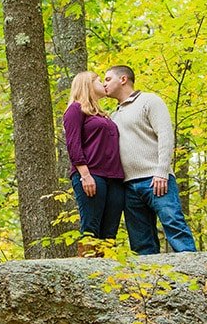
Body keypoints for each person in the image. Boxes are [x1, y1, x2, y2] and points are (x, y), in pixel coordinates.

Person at [101, 65, 196, 255]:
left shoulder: (149, 101)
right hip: (128, 186)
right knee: (141, 242)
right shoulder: (113, 115)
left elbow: (166, 136)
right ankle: (149, 284)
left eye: (108, 79)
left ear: (123, 79)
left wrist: (162, 172)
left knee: (174, 227)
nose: (104, 84)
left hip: (156, 179)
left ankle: (196, 276)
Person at [62, 71, 126, 255]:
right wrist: (85, 175)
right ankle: (88, 274)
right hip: (92, 174)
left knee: (110, 233)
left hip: (114, 178)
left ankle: (108, 277)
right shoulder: (75, 109)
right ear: (88, 84)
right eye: (100, 81)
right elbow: (73, 144)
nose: (104, 84)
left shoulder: (103, 114)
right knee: (91, 227)